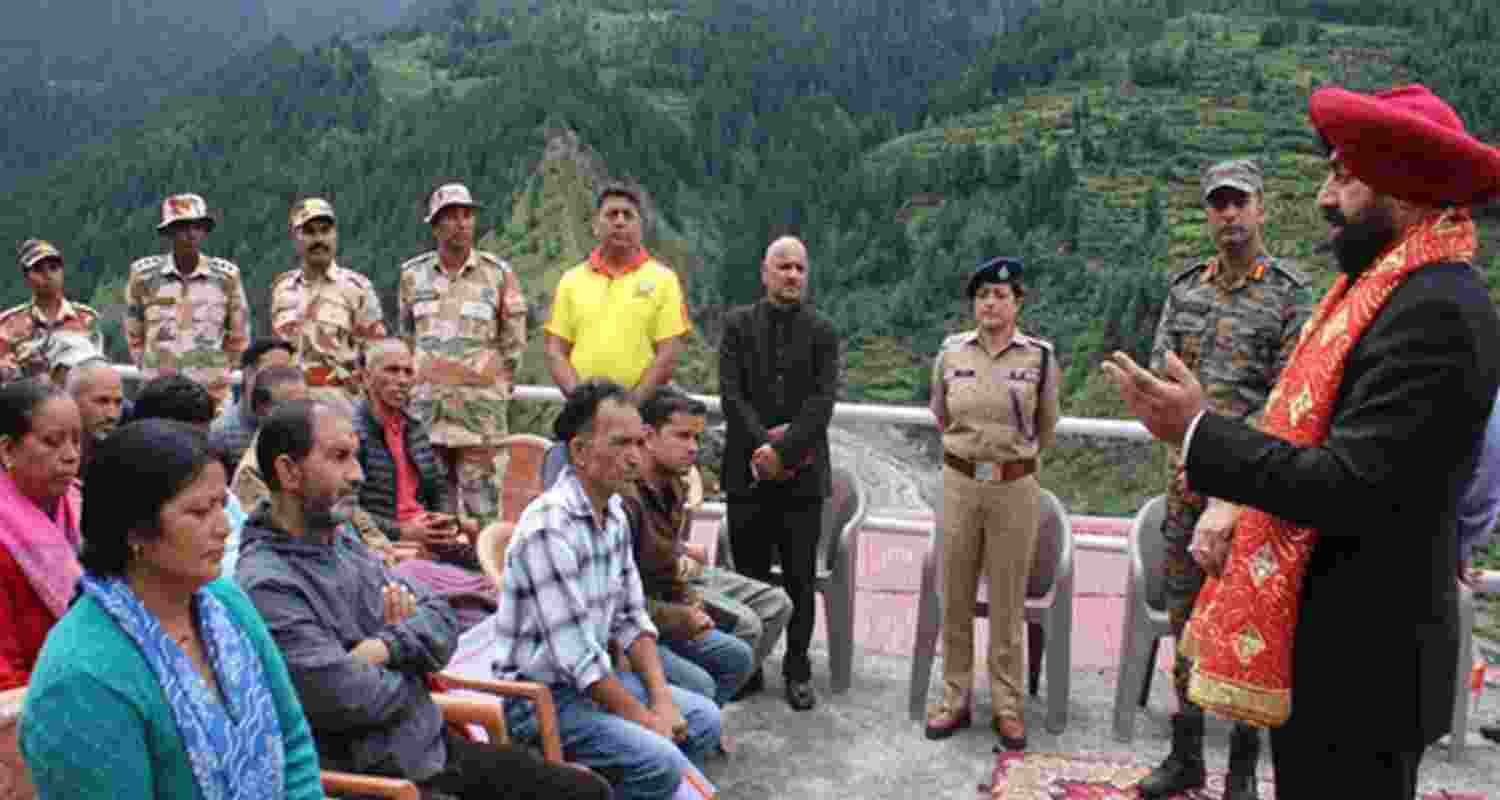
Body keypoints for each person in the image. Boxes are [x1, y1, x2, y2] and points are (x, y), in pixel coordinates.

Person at [1104, 84, 1500, 798]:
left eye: (1344, 176)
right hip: (1335, 652)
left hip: (1367, 665)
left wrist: (1198, 433)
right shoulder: (1385, 294)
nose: (1324, 197)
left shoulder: (1438, 311)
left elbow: (1346, 485)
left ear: (1402, 184)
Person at [236, 400, 606, 799]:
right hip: (381, 780)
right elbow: (344, 696)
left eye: (356, 457)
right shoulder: (267, 584)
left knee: (587, 791)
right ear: (289, 472)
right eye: (339, 457)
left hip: (429, 752)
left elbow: (440, 615)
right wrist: (413, 667)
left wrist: (384, 647)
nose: (358, 474)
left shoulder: (341, 542)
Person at [19, 419, 323, 799]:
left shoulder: (226, 603)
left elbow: (292, 742)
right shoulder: (83, 677)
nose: (224, 527)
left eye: (221, 505)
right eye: (199, 512)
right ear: (134, 531)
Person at [1135, 159, 1311, 798]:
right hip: (1187, 489)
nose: (1229, 214)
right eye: (1219, 204)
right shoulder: (1186, 291)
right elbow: (1162, 378)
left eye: (1240, 202)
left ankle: (1241, 771)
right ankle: (1185, 755)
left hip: (1255, 495)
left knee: (1248, 630)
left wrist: (1233, 461)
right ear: (1208, 213)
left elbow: (1292, 398)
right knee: (1185, 622)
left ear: (1262, 207)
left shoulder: (1290, 296)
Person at [490, 380, 721, 800]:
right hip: (540, 700)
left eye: (639, 442)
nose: (635, 457)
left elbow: (632, 617)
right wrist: (647, 721)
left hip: (593, 685)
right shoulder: (548, 528)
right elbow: (577, 658)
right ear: (580, 451)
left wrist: (662, 700)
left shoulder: (612, 513)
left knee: (702, 719)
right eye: (620, 444)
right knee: (659, 759)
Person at [922, 257, 1060, 749]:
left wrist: (1008, 460)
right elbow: (941, 414)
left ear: (1017, 303)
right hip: (960, 483)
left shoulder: (1039, 358)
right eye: (982, 295)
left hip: (1014, 488)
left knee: (1007, 599)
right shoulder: (950, 353)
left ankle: (1007, 705)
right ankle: (954, 696)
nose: (990, 303)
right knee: (955, 593)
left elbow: (1046, 427)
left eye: (1001, 295)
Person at [719, 235, 839, 711]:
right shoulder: (737, 326)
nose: (792, 275)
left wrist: (783, 452)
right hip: (746, 474)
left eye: (799, 268)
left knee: (799, 579)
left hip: (802, 479)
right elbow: (731, 395)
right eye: (783, 266)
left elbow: (822, 403)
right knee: (747, 575)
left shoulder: (823, 331)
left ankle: (797, 667)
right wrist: (763, 447)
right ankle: (748, 666)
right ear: (765, 273)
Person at [625, 386, 790, 707]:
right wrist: (685, 600)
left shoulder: (673, 482)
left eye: (696, 438)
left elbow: (663, 551)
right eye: (682, 436)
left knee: (777, 603)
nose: (693, 448)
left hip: (677, 578)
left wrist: (682, 556)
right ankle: (706, 704)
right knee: (746, 627)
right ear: (648, 436)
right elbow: (637, 581)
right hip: (652, 597)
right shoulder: (627, 496)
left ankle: (716, 699)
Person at [398, 182, 528, 526]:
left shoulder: (498, 274)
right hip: (427, 417)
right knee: (431, 514)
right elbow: (407, 337)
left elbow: (514, 343)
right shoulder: (412, 276)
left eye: (467, 215)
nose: (460, 223)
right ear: (435, 226)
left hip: (479, 421)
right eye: (450, 216)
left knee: (482, 515)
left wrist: (495, 387)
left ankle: (480, 562)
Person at [353, 338, 496, 630]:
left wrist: (443, 519)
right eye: (392, 370)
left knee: (494, 563)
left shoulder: (414, 427)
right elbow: (349, 510)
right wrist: (403, 530)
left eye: (408, 372)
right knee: (469, 592)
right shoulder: (353, 433)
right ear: (366, 377)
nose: (402, 380)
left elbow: (438, 486)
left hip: (427, 534)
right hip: (389, 543)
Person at [545, 184, 690, 400]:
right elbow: (555, 351)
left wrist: (631, 405)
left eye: (628, 215)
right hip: (584, 413)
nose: (620, 221)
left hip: (643, 411)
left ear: (640, 227)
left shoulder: (664, 280)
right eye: (612, 215)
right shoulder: (571, 280)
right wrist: (581, 403)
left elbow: (668, 354)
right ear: (596, 225)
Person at [124, 193, 251, 413]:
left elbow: (239, 336)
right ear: (169, 232)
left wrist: (216, 372)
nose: (191, 234)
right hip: (158, 396)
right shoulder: (144, 276)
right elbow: (134, 331)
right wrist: (151, 369)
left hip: (210, 398)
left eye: (197, 227)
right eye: (182, 227)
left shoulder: (226, 277)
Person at [0, 380, 81, 690]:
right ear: (8, 450)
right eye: (52, 442)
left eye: (77, 441)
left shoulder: (85, 508)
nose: (71, 455)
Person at [270, 198, 387, 406]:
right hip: (290, 404)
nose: (319, 239)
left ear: (335, 235)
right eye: (309, 232)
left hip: (341, 403)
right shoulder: (282, 288)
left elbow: (377, 354)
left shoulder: (356, 288)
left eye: (325, 231)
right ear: (295, 238)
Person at [0, 240, 101, 384]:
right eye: (38, 269)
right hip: (26, 395)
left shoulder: (88, 319)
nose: (48, 275)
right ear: (27, 277)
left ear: (62, 272)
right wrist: (21, 367)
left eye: (53, 268)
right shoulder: (7, 323)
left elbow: (99, 370)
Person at [210, 337, 295, 465]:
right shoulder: (220, 433)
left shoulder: (294, 423)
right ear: (248, 372)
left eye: (286, 373)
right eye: (274, 370)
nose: (282, 380)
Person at [211, 365, 308, 470]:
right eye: (291, 406)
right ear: (262, 407)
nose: (303, 411)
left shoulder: (311, 432)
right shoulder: (220, 431)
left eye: (306, 403)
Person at [63, 358, 124, 480]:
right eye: (102, 401)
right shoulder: (46, 457)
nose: (112, 415)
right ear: (71, 400)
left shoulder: (121, 457)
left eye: (118, 402)